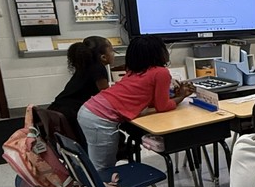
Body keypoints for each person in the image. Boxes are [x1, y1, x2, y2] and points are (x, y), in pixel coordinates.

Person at [78, 35, 193, 170]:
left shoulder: (133, 70)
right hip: (100, 118)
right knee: (103, 168)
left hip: (90, 110)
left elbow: (149, 101)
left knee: (98, 162)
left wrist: (174, 95)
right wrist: (182, 96)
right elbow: (162, 107)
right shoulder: (161, 72)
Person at [48, 36, 114, 140]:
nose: (113, 54)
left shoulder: (86, 66)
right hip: (70, 114)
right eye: (111, 50)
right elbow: (105, 96)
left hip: (56, 109)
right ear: (103, 57)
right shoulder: (98, 68)